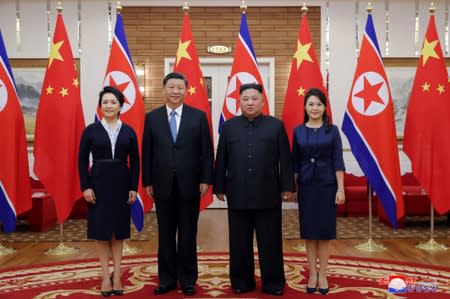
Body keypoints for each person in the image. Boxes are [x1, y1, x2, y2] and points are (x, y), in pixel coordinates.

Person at [214, 83, 295, 296]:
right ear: (239, 102)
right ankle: (242, 281)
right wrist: (219, 186)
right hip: (237, 192)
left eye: (254, 98)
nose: (249, 103)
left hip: (268, 193)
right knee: (239, 241)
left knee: (270, 241)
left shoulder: (276, 126)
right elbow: (221, 157)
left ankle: (273, 283)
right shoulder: (229, 126)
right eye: (245, 99)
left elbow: (285, 159)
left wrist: (287, 186)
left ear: (262, 101)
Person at [142, 72, 213, 296]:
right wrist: (148, 181)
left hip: (190, 184)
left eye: (180, 87)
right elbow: (147, 152)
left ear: (186, 90)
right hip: (161, 185)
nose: (175, 91)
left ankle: (188, 279)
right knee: (165, 236)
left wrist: (205, 179)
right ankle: (166, 279)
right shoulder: (152, 118)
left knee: (187, 235)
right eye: (171, 87)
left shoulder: (198, 117)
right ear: (164, 90)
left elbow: (206, 151)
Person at [78, 86, 140, 297]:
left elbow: (136, 162)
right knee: (101, 232)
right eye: (105, 102)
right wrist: (85, 186)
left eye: (113, 102)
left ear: (120, 106)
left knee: (118, 232)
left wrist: (133, 187)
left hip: (122, 185)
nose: (109, 106)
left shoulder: (129, 131)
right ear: (100, 105)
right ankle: (105, 276)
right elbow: (81, 160)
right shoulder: (91, 130)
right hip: (98, 185)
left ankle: (117, 276)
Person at [292, 88, 345, 295]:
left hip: (327, 187)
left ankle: (323, 273)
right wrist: (293, 188)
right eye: (311, 104)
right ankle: (312, 273)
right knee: (309, 234)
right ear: (305, 107)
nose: (315, 108)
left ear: (324, 107)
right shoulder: (298, 131)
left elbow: (338, 161)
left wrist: (340, 188)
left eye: (319, 104)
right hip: (306, 187)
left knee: (324, 234)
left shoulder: (332, 131)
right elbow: (294, 162)